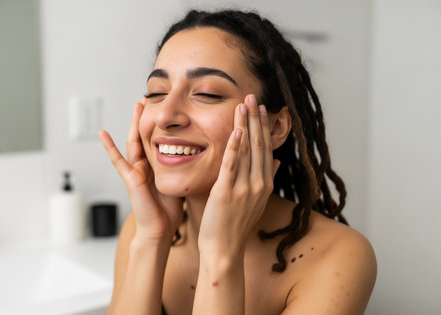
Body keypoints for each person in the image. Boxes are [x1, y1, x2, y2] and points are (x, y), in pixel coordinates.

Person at [98, 9, 377, 315]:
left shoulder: (338, 256)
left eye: (206, 93)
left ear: (275, 128)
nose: (165, 115)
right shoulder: (144, 226)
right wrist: (152, 240)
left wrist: (221, 255)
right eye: (156, 92)